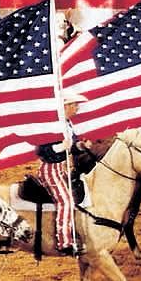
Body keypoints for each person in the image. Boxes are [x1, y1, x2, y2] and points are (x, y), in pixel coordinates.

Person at [35, 95, 85, 256]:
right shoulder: (53, 125)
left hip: (61, 167)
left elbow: (71, 147)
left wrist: (79, 146)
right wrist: (60, 147)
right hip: (50, 169)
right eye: (75, 105)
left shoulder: (67, 124)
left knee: (72, 198)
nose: (77, 108)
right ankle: (65, 242)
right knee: (66, 201)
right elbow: (41, 150)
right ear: (66, 106)